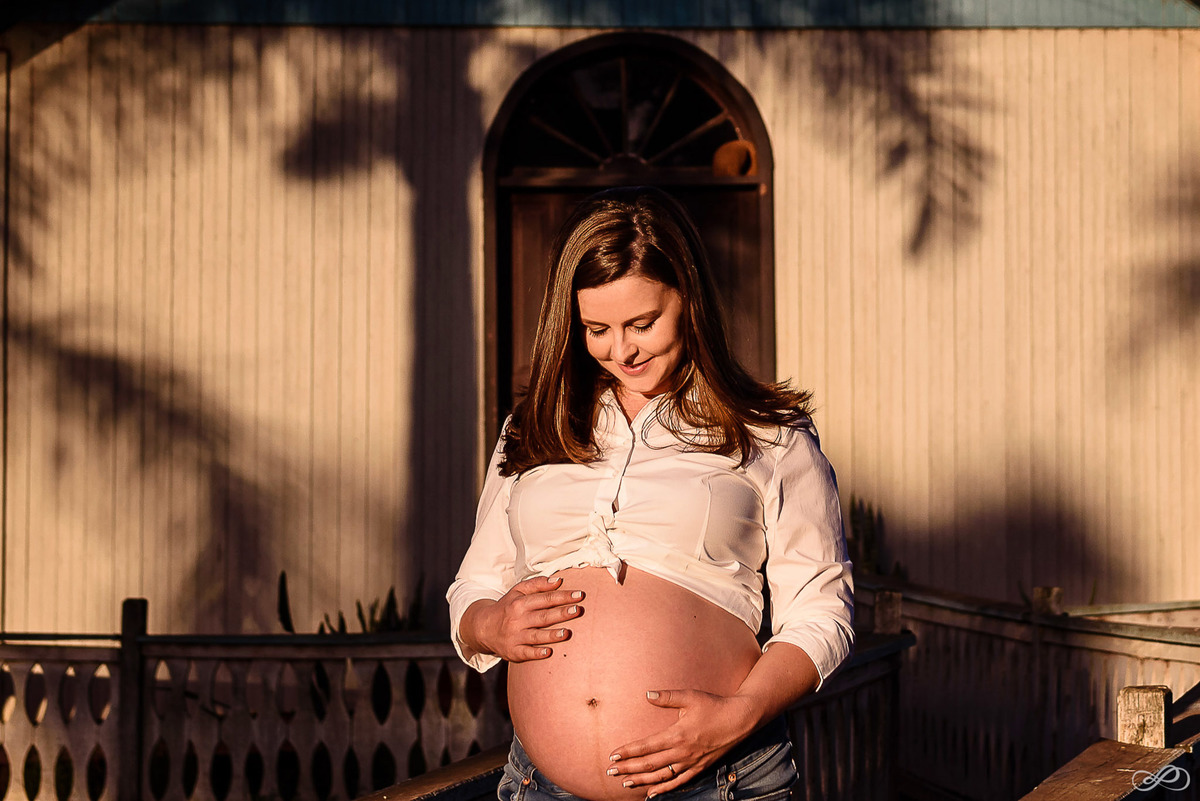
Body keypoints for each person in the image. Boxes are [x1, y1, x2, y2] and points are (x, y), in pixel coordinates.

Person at [447, 187, 853, 801]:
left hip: (717, 780)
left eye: (642, 324)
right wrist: (491, 624)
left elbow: (823, 611)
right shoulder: (533, 429)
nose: (623, 350)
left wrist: (738, 716)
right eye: (597, 329)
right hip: (543, 787)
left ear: (689, 300)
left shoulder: (768, 433)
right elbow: (473, 586)